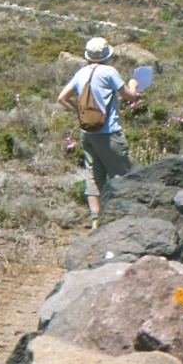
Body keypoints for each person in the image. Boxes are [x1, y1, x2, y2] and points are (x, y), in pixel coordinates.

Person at [56, 37, 140, 230]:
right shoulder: (109, 72)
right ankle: (125, 217)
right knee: (122, 174)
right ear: (106, 55)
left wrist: (78, 112)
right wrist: (134, 84)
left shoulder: (81, 73)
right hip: (109, 132)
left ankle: (96, 219)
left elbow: (62, 97)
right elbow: (130, 97)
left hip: (87, 132)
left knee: (93, 175)